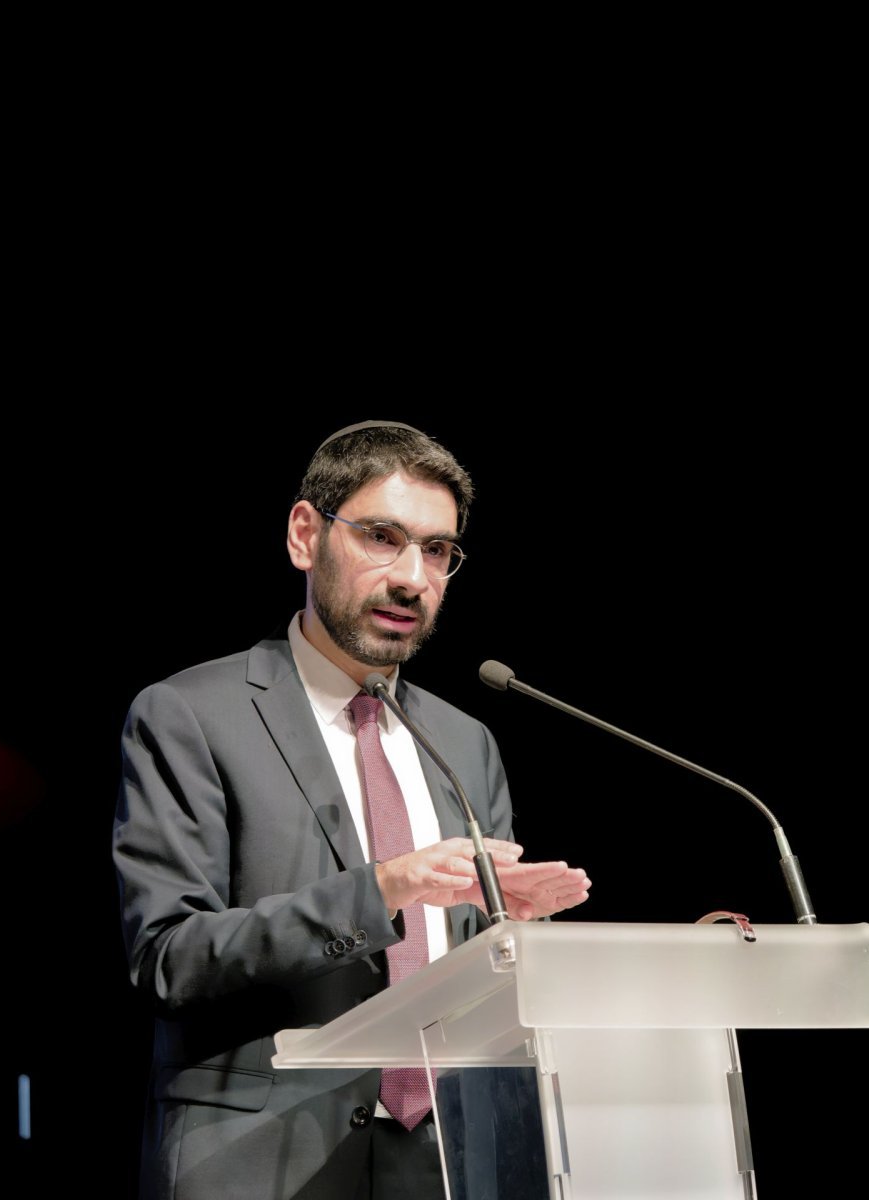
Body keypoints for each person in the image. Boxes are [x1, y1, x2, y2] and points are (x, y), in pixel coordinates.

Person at [113, 420, 592, 1200]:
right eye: (381, 537)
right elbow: (170, 959)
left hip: (445, 1159)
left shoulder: (464, 743)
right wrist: (385, 888)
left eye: (437, 551)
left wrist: (523, 945)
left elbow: (481, 974)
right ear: (306, 535)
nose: (412, 577)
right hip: (261, 1161)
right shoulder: (190, 715)